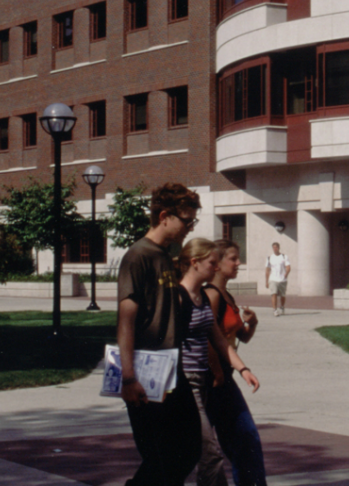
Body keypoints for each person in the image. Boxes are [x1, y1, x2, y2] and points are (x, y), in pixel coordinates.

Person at [116, 183, 202, 486]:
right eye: (186, 221)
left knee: (189, 448)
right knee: (162, 457)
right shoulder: (138, 256)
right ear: (164, 216)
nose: (189, 228)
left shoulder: (166, 256)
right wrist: (128, 378)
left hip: (171, 367)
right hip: (144, 369)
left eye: (193, 221)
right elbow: (126, 321)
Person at [177, 238, 260, 486]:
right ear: (195, 263)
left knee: (209, 453)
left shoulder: (201, 298)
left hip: (207, 380)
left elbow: (219, 340)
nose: (215, 268)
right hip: (187, 383)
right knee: (207, 454)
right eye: (212, 262)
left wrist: (243, 369)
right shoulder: (179, 298)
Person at [205, 240, 267, 486]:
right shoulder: (211, 295)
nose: (238, 263)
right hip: (213, 379)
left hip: (225, 377)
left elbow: (241, 337)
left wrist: (253, 322)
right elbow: (207, 337)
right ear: (217, 264)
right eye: (233, 258)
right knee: (239, 440)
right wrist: (219, 373)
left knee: (245, 440)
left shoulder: (226, 296)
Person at [264, 243, 290, 317]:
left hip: (282, 279)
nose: (275, 249)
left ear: (279, 248)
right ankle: (275, 310)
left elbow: (288, 267)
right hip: (273, 279)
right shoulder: (269, 258)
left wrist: (286, 274)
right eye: (273, 247)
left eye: (276, 247)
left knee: (282, 295)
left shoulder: (284, 257)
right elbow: (267, 270)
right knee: (274, 294)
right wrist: (266, 281)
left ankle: (282, 307)